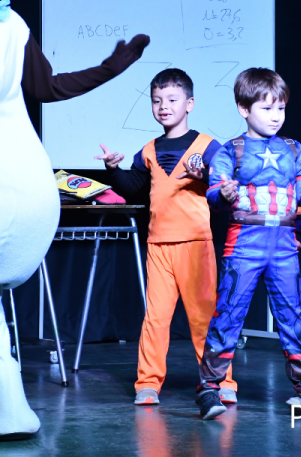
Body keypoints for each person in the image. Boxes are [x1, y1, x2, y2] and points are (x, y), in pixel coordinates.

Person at [195, 68, 301, 421]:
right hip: (245, 243)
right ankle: (209, 388)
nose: (276, 117)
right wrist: (222, 193)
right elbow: (214, 190)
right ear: (244, 108)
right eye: (267, 109)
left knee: (292, 316)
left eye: (281, 109)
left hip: (284, 242)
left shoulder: (292, 148)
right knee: (229, 314)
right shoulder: (231, 150)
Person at [97, 68, 237, 406]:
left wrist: (206, 176)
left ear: (189, 104)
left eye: (172, 100)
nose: (164, 106)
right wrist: (114, 170)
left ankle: (223, 382)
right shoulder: (148, 149)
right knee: (156, 318)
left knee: (204, 318)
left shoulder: (208, 146)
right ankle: (147, 383)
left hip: (195, 245)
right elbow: (134, 189)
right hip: (158, 245)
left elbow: (223, 189)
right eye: (157, 101)